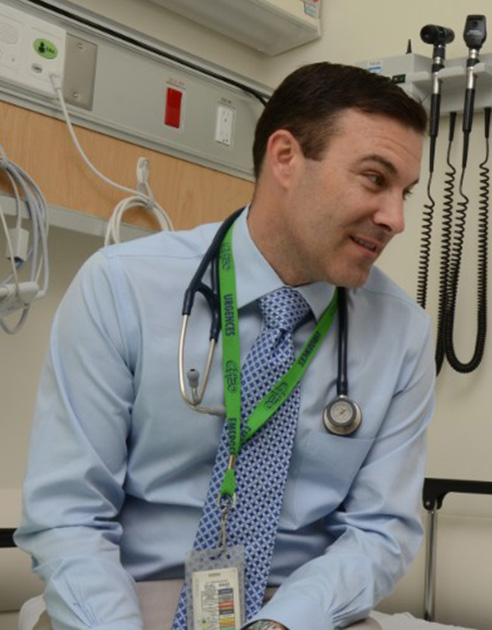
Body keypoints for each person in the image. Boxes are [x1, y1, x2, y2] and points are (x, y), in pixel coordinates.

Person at [16, 62, 434, 630]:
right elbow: (69, 514)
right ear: (285, 158)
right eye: (374, 179)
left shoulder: (402, 333)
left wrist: (281, 623)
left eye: (404, 192)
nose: (396, 218)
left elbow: (379, 532)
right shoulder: (122, 287)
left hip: (300, 610)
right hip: (130, 597)